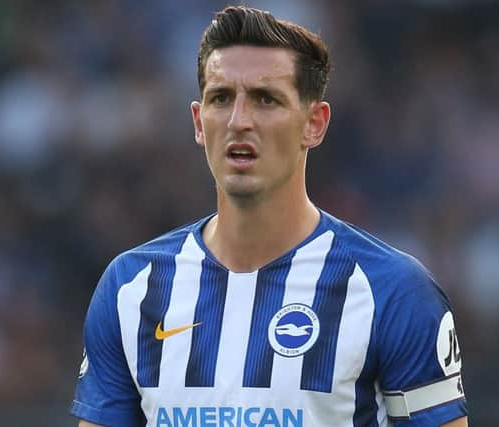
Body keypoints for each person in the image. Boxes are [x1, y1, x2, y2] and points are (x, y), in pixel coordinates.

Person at [71, 5, 468, 427]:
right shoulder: (131, 288)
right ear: (198, 122)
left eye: (266, 100)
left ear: (314, 123)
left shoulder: (392, 291)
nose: (240, 121)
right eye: (221, 98)